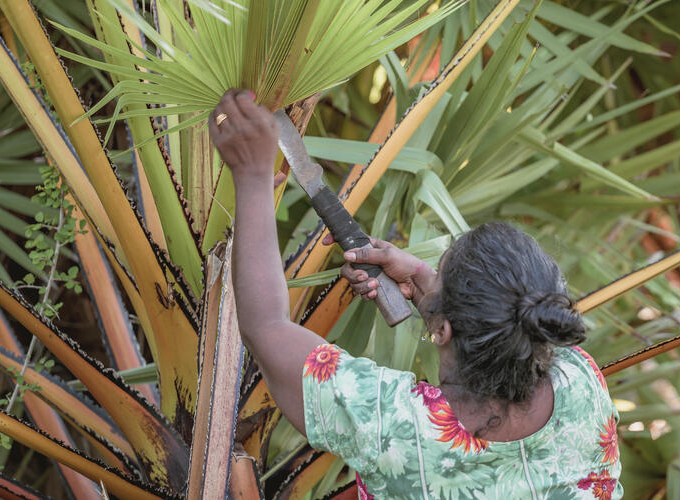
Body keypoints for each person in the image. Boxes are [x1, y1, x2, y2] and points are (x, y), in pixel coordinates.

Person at [210, 89, 622, 499]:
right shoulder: (580, 381)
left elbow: (265, 328)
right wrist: (429, 287)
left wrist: (252, 178)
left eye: (438, 271)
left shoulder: (400, 429)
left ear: (444, 330)